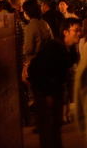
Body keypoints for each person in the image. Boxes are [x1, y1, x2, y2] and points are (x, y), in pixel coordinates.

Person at [28, 18, 82, 148]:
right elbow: (35, 70)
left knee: (54, 129)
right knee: (49, 131)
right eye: (76, 30)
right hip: (46, 96)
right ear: (65, 32)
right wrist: (47, 95)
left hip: (54, 94)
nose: (80, 33)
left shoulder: (69, 49)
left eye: (81, 30)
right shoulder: (53, 48)